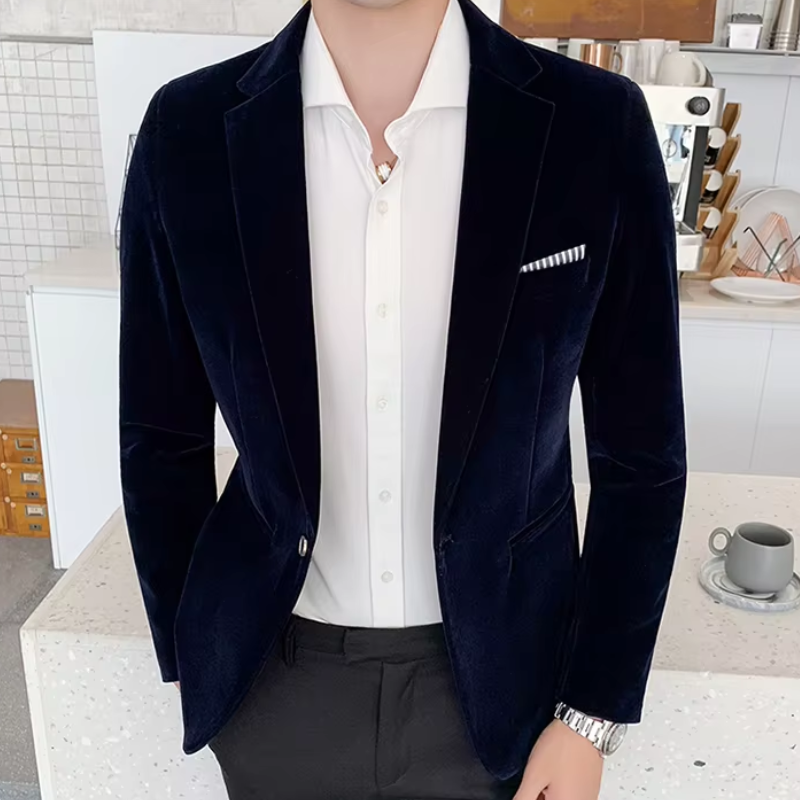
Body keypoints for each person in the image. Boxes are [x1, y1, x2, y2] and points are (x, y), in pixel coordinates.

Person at [118, 0, 687, 797]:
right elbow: (158, 433)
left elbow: (643, 456)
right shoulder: (188, 131)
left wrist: (592, 709)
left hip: (508, 698)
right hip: (273, 690)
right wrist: (194, 653)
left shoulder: (596, 125)